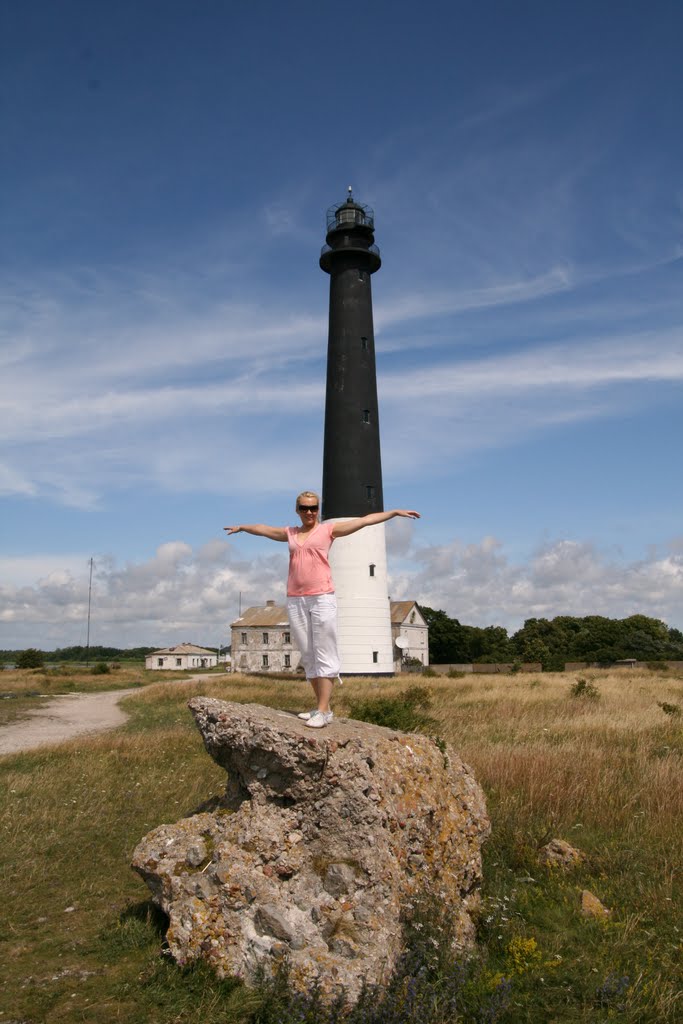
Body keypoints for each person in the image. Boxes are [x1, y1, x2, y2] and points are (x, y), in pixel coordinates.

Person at [224, 492, 420, 728]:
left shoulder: (328, 530)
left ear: (318, 509)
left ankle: (323, 710)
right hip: (296, 599)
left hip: (321, 598)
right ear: (297, 509)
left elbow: (364, 520)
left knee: (324, 651)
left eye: (314, 508)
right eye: (305, 508)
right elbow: (263, 528)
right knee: (308, 654)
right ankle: (321, 707)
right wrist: (242, 528)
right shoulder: (291, 534)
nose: (309, 512)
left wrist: (395, 513)